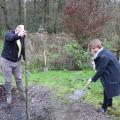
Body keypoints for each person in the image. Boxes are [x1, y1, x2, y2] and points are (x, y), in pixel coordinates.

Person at [88, 39, 120, 114]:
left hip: (113, 75)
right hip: (112, 74)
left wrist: (92, 79)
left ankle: (103, 109)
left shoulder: (104, 55)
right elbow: (100, 65)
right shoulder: (104, 52)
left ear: (98, 46)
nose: (92, 50)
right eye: (91, 49)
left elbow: (101, 70)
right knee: (108, 89)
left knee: (107, 90)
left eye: (93, 48)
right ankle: (109, 103)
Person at [1, 25, 27, 105]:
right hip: (6, 61)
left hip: (17, 62)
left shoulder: (21, 37)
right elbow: (12, 38)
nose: (23, 33)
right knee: (8, 80)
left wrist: (25, 59)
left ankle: (22, 94)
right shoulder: (8, 34)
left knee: (19, 78)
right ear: (17, 30)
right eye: (22, 31)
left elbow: (22, 49)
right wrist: (19, 34)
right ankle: (9, 96)